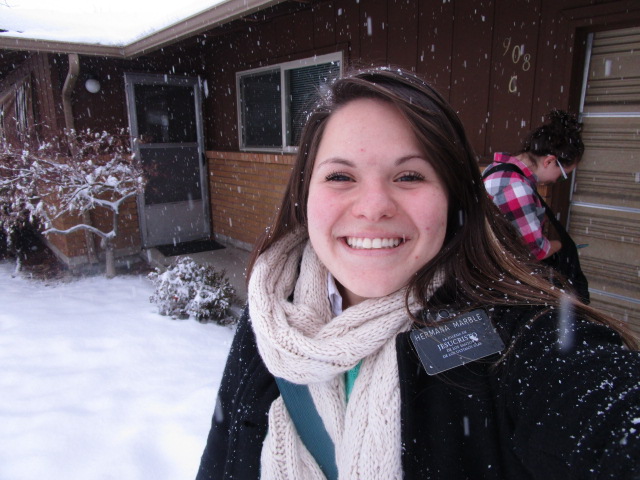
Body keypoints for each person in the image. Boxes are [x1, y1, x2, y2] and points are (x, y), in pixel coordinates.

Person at [196, 67, 639, 480]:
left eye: (409, 175)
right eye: (340, 177)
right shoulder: (272, 312)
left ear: (452, 195)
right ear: (304, 193)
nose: (374, 207)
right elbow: (221, 456)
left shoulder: (520, 335)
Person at [483, 111, 590, 302]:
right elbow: (536, 251)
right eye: (563, 175)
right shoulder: (516, 187)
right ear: (549, 161)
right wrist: (563, 246)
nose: (557, 180)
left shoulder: (497, 169)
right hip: (497, 281)